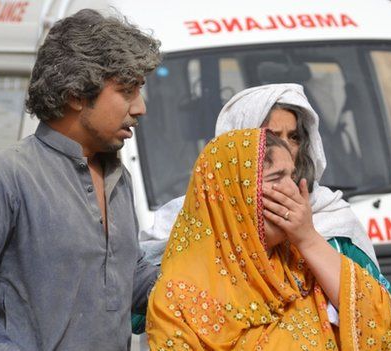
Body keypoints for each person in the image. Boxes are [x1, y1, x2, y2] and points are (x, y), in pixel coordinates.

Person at [0, 9, 161, 350]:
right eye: (126, 91)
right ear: (76, 94)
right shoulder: (4, 178)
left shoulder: (117, 177)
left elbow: (128, 279)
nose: (140, 107)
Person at [146, 129, 391, 350]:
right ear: (233, 197)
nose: (292, 190)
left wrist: (309, 239)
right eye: (276, 178)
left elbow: (378, 320)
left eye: (292, 176)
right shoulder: (177, 297)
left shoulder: (301, 264)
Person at [141, 84, 377, 267]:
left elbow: (377, 313)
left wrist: (307, 239)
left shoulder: (331, 216)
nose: (286, 147)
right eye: (272, 137)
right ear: (238, 146)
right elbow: (139, 307)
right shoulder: (195, 216)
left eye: (294, 137)